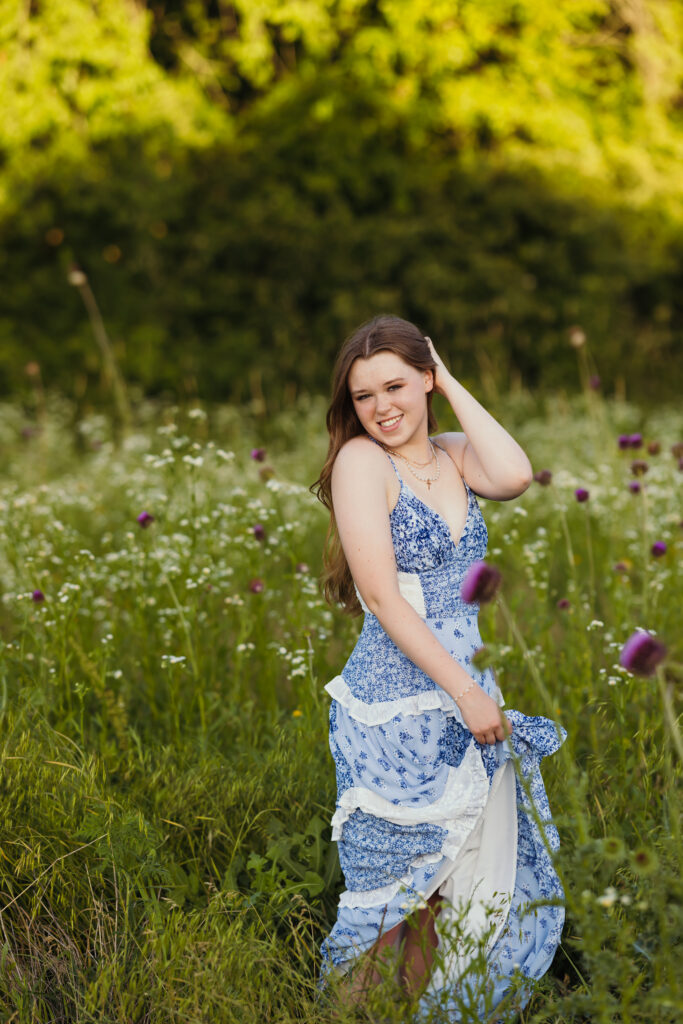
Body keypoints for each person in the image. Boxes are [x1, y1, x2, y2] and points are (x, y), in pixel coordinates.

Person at [312, 315, 566, 1020]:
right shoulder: (361, 462)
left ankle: (419, 1013)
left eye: (395, 385)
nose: (381, 407)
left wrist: (448, 381)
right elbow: (382, 598)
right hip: (398, 706)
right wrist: (463, 692)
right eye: (363, 396)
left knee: (447, 887)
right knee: (395, 895)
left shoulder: (452, 454)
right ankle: (350, 1013)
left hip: (466, 692)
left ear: (424, 379)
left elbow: (515, 475)